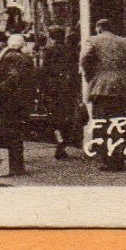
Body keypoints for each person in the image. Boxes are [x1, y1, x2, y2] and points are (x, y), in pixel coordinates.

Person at [80, 18, 126, 172]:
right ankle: (119, 159)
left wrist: (92, 78)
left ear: (98, 28)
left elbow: (85, 59)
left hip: (102, 89)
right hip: (123, 88)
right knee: (121, 124)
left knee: (102, 124)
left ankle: (106, 160)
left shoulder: (93, 40)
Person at [0, 32, 39, 176]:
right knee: (16, 134)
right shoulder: (23, 58)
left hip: (9, 101)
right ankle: (16, 166)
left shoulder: (11, 57)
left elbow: (12, 79)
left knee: (7, 133)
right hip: (21, 101)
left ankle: (10, 166)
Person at [38, 27, 82, 159]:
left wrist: (41, 89)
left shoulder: (48, 50)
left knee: (54, 119)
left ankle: (59, 140)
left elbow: (44, 70)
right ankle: (63, 144)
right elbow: (75, 71)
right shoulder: (72, 51)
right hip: (68, 89)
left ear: (51, 37)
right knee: (67, 117)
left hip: (52, 90)